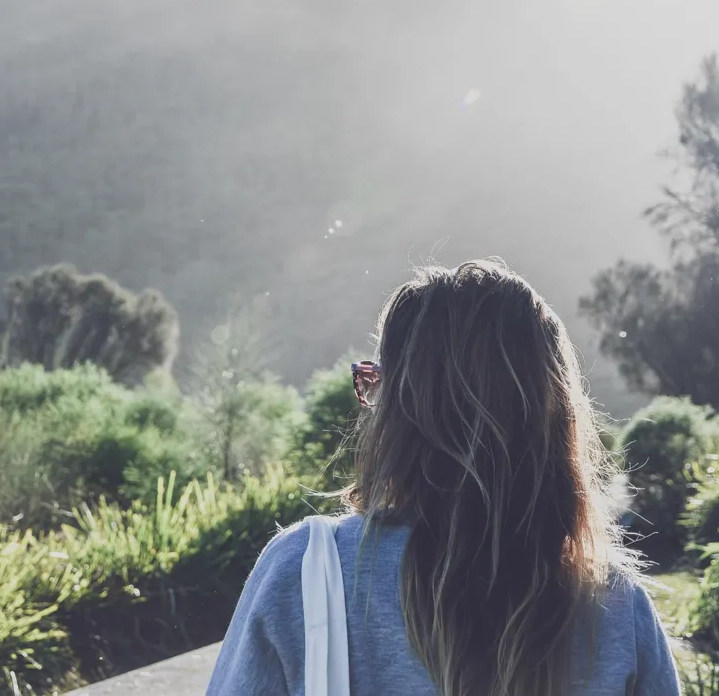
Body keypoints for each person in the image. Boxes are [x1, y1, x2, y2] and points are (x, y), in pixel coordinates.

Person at [207, 259, 680, 696]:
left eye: (374, 386)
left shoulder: (304, 574)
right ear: (555, 418)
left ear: (404, 412)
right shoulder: (613, 606)